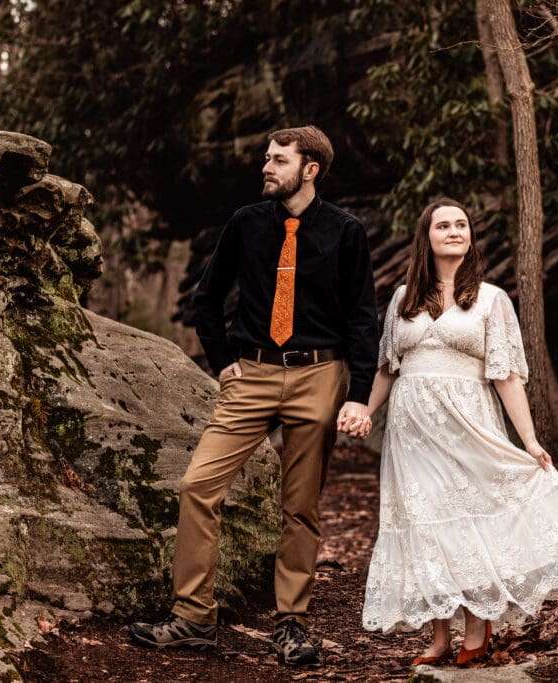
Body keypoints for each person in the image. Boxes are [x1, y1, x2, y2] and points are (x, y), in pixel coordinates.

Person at [129, 125, 378, 666]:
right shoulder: (246, 223)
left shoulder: (346, 231)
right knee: (198, 485)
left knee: (301, 507)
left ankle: (292, 623)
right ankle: (192, 616)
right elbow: (208, 297)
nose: (266, 167)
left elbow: (362, 318)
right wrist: (222, 364)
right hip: (252, 376)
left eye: (278, 160)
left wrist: (357, 393)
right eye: (266, 158)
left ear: (310, 169)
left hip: (319, 374)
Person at [353, 198, 558, 666]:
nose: (454, 231)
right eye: (443, 225)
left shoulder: (490, 298)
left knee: (467, 515)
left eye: (461, 224)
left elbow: (506, 374)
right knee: (425, 524)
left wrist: (528, 440)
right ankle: (439, 635)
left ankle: (476, 625)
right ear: (426, 237)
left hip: (468, 421)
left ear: (470, 237)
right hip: (412, 430)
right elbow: (388, 367)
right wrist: (366, 410)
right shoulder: (403, 298)